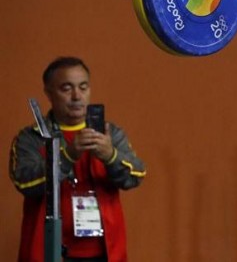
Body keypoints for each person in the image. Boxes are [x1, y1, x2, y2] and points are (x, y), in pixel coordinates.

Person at [9, 56, 146, 262]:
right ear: (48, 93)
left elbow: (136, 175)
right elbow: (25, 183)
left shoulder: (110, 134)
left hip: (104, 253)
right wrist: (68, 156)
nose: (77, 96)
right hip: (48, 252)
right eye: (66, 88)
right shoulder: (32, 137)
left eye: (83, 87)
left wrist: (110, 156)